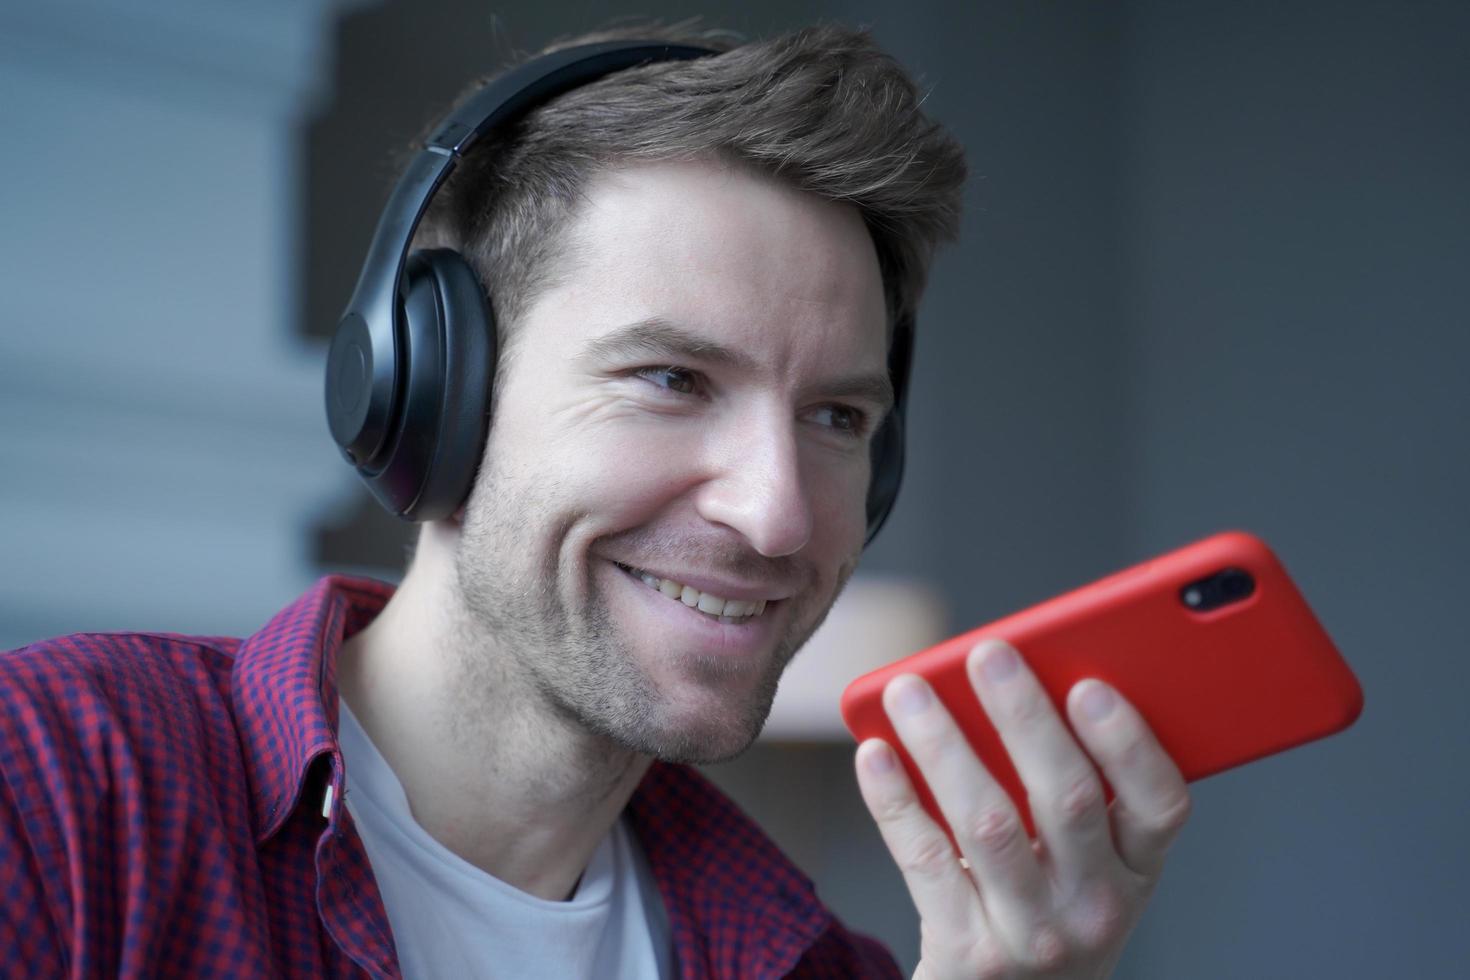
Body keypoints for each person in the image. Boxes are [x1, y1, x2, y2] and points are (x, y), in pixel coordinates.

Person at [0, 22, 1190, 979]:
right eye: (671, 380)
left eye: (836, 417)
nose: (778, 516)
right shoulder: (58, 791)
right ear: (430, 391)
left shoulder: (829, 964)